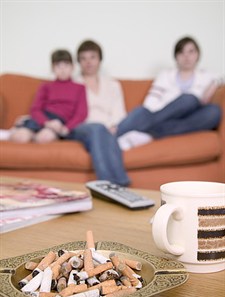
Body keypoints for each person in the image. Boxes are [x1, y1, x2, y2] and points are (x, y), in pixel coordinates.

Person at [116, 36, 221, 140]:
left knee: (214, 111)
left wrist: (214, 83)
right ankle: (145, 128)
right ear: (176, 56)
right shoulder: (165, 75)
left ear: (197, 54)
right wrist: (149, 115)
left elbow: (219, 78)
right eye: (182, 52)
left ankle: (149, 130)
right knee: (188, 99)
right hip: (164, 115)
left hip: (189, 118)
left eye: (191, 52)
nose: (186, 56)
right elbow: (151, 101)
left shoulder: (207, 76)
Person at [68, 39, 130, 186]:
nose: (88, 62)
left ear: (100, 59)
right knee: (98, 128)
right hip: (81, 127)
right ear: (78, 62)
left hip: (107, 128)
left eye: (92, 57)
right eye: (83, 58)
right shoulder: (72, 84)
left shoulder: (113, 85)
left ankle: (119, 187)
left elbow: (119, 111)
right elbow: (60, 109)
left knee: (104, 132)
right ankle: (109, 185)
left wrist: (114, 126)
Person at [10, 49, 88, 143]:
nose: (62, 70)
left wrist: (67, 128)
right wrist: (47, 123)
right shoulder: (46, 86)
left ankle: (32, 133)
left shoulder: (80, 88)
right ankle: (16, 131)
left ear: (72, 67)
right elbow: (35, 109)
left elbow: (82, 113)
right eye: (58, 66)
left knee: (44, 138)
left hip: (60, 122)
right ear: (52, 68)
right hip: (44, 118)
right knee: (21, 137)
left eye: (66, 65)